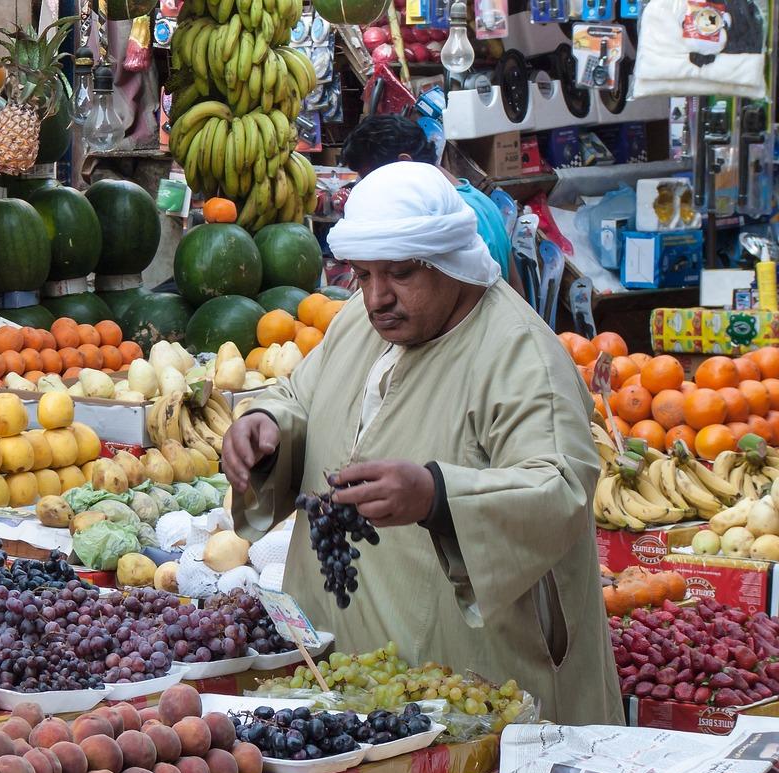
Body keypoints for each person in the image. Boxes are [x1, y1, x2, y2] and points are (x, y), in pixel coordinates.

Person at [223, 162, 622, 727]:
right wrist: (264, 424)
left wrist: (438, 495)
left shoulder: (520, 355)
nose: (377, 297)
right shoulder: (359, 325)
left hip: (471, 690)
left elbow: (561, 489)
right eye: (362, 275)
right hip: (347, 675)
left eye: (401, 274)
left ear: (449, 262)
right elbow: (300, 396)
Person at [342, 115, 522, 296]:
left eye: (368, 178)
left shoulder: (440, 217)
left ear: (404, 164)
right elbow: (517, 293)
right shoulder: (484, 201)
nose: (365, 189)